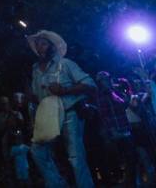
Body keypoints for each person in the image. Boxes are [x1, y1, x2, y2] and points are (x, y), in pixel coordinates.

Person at [27, 30, 96, 188]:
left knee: (76, 157)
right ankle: (57, 184)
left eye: (43, 43)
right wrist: (31, 100)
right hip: (47, 116)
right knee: (37, 151)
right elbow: (38, 98)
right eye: (37, 44)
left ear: (52, 47)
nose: (39, 47)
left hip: (69, 113)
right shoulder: (35, 70)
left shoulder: (65, 64)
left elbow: (91, 85)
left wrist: (65, 90)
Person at [95, 71, 137, 187]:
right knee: (122, 159)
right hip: (114, 132)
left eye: (108, 78)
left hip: (125, 128)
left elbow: (124, 105)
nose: (107, 81)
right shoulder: (100, 94)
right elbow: (103, 115)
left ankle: (131, 183)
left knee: (131, 158)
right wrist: (111, 131)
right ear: (99, 82)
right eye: (104, 80)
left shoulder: (114, 91)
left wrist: (125, 93)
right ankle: (124, 182)